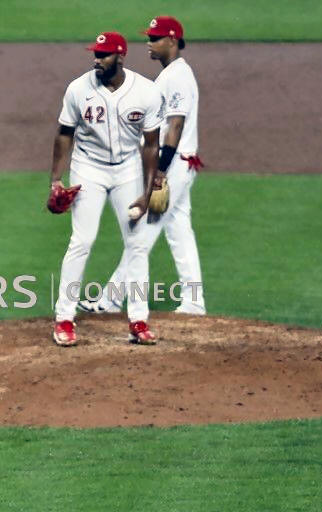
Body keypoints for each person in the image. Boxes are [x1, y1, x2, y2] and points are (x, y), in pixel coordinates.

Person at [78, 16, 206, 316]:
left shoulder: (178, 76)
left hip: (171, 164)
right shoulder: (171, 74)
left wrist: (159, 171)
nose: (149, 43)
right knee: (179, 231)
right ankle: (194, 301)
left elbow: (175, 125)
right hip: (178, 163)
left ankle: (110, 300)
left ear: (172, 40)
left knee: (142, 233)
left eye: (155, 38)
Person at [50, 32, 164, 347]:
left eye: (104, 55)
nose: (97, 60)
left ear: (121, 56)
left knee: (137, 245)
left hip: (128, 169)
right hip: (88, 168)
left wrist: (146, 193)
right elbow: (64, 133)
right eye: (96, 54)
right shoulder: (78, 89)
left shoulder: (146, 92)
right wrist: (56, 180)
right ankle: (64, 318)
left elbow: (151, 145)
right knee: (82, 241)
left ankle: (138, 320)